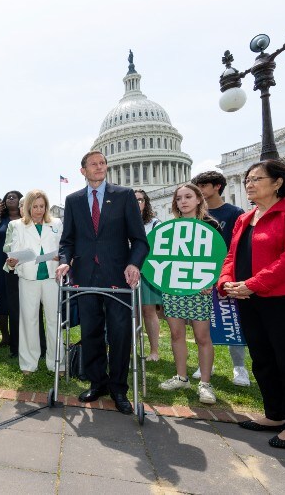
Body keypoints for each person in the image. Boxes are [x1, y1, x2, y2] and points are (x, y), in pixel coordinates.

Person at [56, 151, 148, 415]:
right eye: (93, 164)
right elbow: (68, 241)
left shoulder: (124, 196)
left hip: (118, 277)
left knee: (120, 333)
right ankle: (98, 383)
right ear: (82, 170)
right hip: (85, 278)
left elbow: (140, 240)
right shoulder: (73, 201)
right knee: (91, 332)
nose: (100, 167)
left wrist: (133, 264)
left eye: (102, 163)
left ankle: (119, 388)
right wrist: (65, 261)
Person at [218, 160, 285, 450]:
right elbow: (231, 256)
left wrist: (252, 284)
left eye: (256, 179)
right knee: (262, 358)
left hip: (282, 300)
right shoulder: (244, 218)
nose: (248, 184)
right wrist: (226, 282)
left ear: (278, 182)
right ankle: (274, 414)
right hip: (247, 299)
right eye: (247, 180)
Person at [158, 184, 222, 405]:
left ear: (198, 199)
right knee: (176, 335)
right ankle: (181, 377)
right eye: (178, 198)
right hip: (174, 288)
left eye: (188, 197)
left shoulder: (210, 225)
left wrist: (212, 279)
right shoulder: (169, 228)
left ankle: (205, 384)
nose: (183, 201)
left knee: (202, 337)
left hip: (200, 290)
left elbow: (219, 256)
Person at [192, 171, 249, 386]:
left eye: (203, 185)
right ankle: (206, 363)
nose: (200, 190)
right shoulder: (197, 215)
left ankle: (239, 367)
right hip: (202, 274)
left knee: (231, 319)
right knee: (203, 321)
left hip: (227, 273)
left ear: (217, 186)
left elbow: (238, 244)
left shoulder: (234, 212)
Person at [7, 189, 63, 374]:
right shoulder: (17, 226)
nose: (38, 210)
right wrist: (12, 261)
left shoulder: (56, 223)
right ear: (28, 207)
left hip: (52, 278)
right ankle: (28, 363)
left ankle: (57, 363)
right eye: (35, 206)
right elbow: (14, 251)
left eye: (42, 206)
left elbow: (63, 247)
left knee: (54, 320)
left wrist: (61, 258)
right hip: (28, 278)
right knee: (28, 320)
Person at [0, 190, 24, 357]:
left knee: (20, 300)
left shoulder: (27, 218)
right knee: (1, 299)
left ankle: (21, 337)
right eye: (8, 197)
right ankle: (5, 337)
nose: (11, 198)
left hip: (23, 264)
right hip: (0, 263)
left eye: (14, 197)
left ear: (20, 201)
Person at [134, 189, 162, 362]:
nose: (137, 203)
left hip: (147, 271)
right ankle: (132, 348)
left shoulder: (154, 223)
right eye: (134, 200)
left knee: (148, 310)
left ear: (145, 203)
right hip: (126, 270)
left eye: (140, 200)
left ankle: (154, 351)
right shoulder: (122, 222)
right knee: (132, 311)